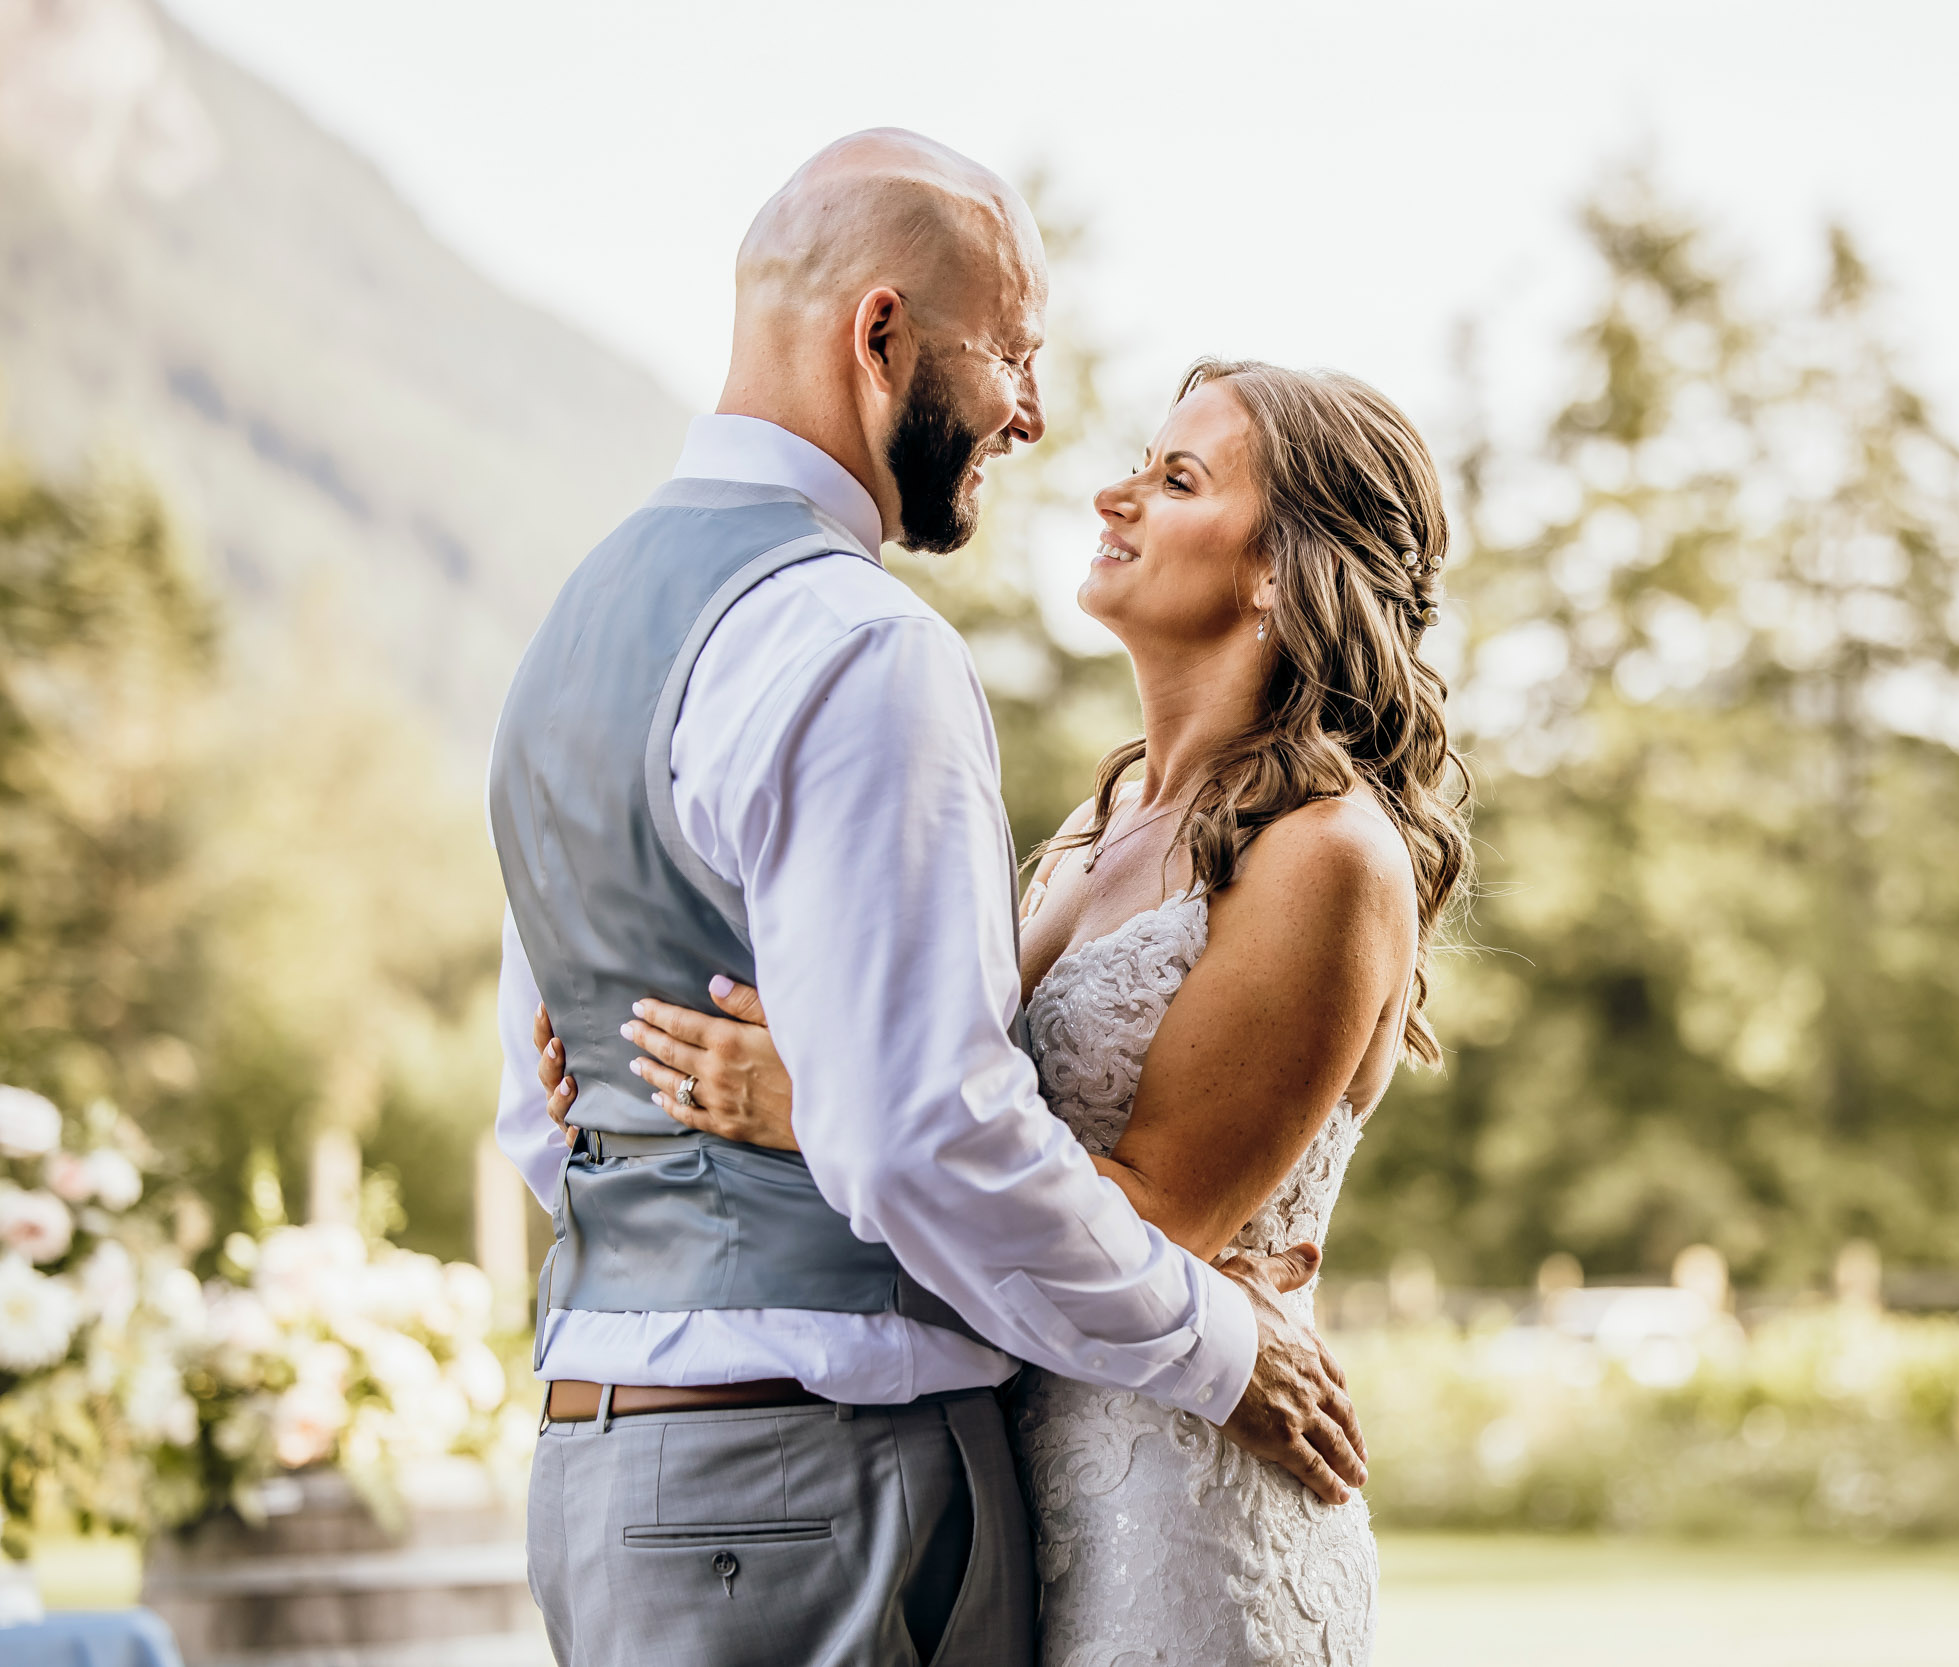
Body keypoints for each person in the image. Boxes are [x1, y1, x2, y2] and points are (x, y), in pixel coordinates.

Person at [488, 130, 1368, 1667]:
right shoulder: (857, 645)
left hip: (608, 1459)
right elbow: (918, 1138)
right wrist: (1226, 1350)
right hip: (811, 1475)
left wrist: (756, 1150)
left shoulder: (576, 629)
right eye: (1010, 356)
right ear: (881, 336)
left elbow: (545, 1111)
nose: (1033, 414)